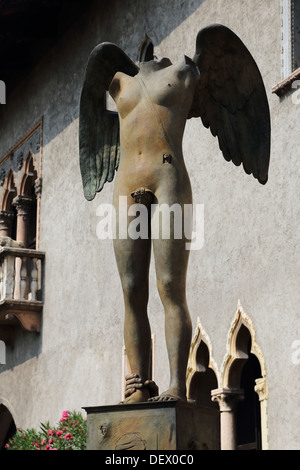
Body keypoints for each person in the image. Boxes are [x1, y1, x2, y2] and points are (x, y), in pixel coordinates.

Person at [110, 56, 199, 402]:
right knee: (132, 289)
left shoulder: (182, 71)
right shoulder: (116, 81)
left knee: (169, 285)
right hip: (126, 182)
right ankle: (139, 385)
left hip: (168, 179)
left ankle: (177, 383)